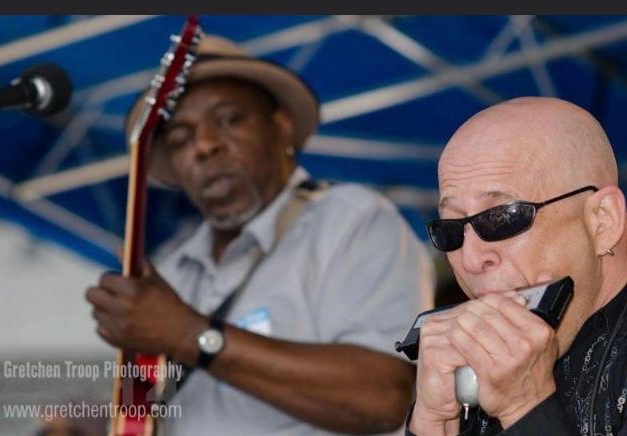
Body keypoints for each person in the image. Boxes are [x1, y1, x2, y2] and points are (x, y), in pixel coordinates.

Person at [85, 35, 435, 435]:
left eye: (229, 120)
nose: (204, 146)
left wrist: (189, 334)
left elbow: (384, 397)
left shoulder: (352, 221)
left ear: (281, 126)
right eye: (181, 139)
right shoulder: (170, 271)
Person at [408, 96, 627, 435]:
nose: (470, 259)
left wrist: (526, 408)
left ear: (602, 221)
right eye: (451, 230)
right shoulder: (466, 378)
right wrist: (433, 424)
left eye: (502, 217)